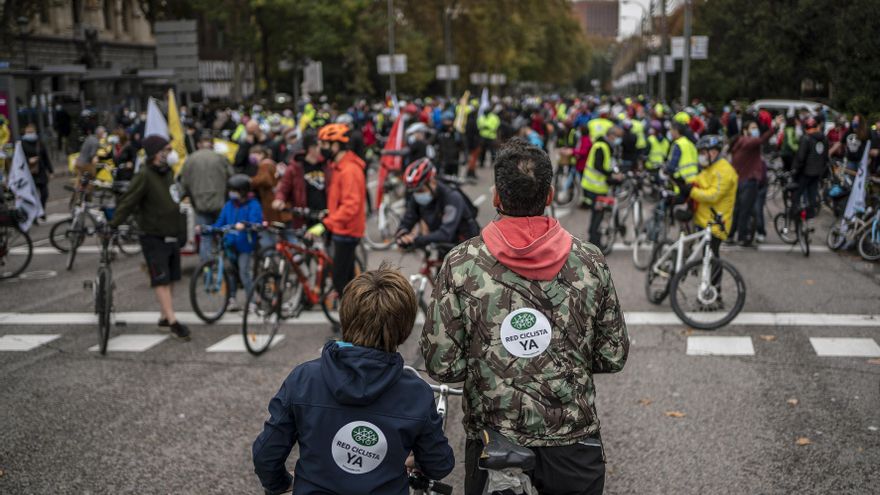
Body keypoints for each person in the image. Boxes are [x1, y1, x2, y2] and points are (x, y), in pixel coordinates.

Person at [421, 140, 628, 495]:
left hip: (495, 443)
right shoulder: (590, 260)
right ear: (549, 195)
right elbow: (612, 355)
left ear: (497, 199)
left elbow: (443, 366)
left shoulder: (461, 262)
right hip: (573, 443)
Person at [253, 266, 454, 495]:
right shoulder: (416, 393)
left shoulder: (304, 379)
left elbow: (266, 455)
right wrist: (416, 461)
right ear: (405, 329)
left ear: (345, 316)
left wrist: (281, 484)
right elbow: (439, 464)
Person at [109, 135, 190, 340]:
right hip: (153, 235)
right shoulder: (144, 175)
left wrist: (181, 230)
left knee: (171, 278)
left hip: (171, 233)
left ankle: (164, 316)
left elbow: (175, 199)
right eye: (167, 149)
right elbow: (128, 202)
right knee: (160, 279)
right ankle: (172, 321)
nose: (170, 153)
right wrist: (113, 225)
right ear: (156, 154)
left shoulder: (168, 173)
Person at [306, 124, 366, 304]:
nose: (321, 149)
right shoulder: (340, 167)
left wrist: (326, 224)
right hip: (341, 229)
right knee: (348, 281)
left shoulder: (349, 170)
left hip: (346, 232)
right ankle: (356, 320)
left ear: (335, 145)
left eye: (324, 144)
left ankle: (355, 322)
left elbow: (351, 206)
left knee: (341, 282)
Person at [679, 135, 738, 300]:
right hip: (703, 220)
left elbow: (714, 195)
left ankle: (714, 291)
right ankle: (708, 287)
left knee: (712, 257)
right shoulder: (710, 167)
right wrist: (684, 184)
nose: (701, 156)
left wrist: (691, 191)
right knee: (707, 256)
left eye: (704, 152)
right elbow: (698, 180)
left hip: (717, 223)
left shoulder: (724, 170)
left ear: (714, 151)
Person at [395, 158, 480, 253]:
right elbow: (408, 219)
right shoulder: (417, 196)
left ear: (432, 181)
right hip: (443, 244)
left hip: (465, 245)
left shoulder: (452, 196)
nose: (417, 194)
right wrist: (403, 234)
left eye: (420, 190)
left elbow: (445, 233)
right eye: (414, 191)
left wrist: (416, 240)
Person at [212, 174, 263, 310]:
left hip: (245, 245)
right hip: (230, 244)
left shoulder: (253, 205)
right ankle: (232, 299)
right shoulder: (229, 205)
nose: (232, 193)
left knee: (244, 272)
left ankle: (252, 300)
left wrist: (246, 225)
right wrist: (208, 229)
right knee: (230, 272)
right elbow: (220, 222)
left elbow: (255, 221)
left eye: (235, 190)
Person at [180, 132, 233, 261]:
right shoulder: (220, 158)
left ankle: (206, 267)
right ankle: (226, 265)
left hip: (199, 204)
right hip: (220, 202)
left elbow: (184, 183)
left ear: (198, 145)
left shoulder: (190, 160)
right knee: (223, 233)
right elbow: (231, 178)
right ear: (212, 144)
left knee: (205, 237)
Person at [729, 116, 779, 245]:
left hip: (739, 181)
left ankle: (730, 235)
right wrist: (775, 127)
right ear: (745, 131)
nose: (756, 130)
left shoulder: (739, 142)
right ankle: (741, 237)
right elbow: (762, 140)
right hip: (748, 182)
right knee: (744, 211)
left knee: (738, 210)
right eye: (753, 128)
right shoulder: (747, 141)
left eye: (756, 127)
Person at [273, 130, 327, 229]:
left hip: (325, 216)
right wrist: (279, 199)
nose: (323, 149)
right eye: (320, 146)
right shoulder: (295, 167)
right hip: (304, 217)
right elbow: (284, 187)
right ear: (311, 148)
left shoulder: (326, 165)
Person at [582, 126, 621, 246]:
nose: (617, 140)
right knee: (598, 215)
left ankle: (593, 237)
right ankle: (595, 242)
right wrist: (612, 176)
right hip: (595, 187)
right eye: (616, 138)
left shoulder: (605, 146)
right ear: (611, 136)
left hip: (597, 186)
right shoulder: (601, 146)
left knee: (596, 213)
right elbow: (598, 166)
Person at [791, 117, 829, 230]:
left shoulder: (806, 138)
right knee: (812, 197)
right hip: (817, 173)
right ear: (817, 127)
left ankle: (796, 219)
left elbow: (800, 157)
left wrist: (795, 170)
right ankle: (810, 219)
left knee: (796, 196)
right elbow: (825, 157)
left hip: (805, 172)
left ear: (806, 128)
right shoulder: (824, 139)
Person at [20, 124, 53, 218]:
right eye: (28, 132)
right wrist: (28, 160)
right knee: (32, 196)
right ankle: (34, 214)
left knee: (45, 194)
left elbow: (45, 157)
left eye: (32, 132)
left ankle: (41, 210)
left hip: (41, 171)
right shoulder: (22, 144)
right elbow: (18, 159)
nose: (30, 134)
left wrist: (50, 171)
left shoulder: (39, 142)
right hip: (29, 173)